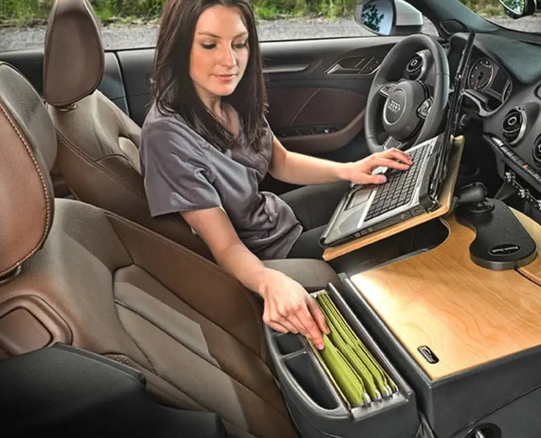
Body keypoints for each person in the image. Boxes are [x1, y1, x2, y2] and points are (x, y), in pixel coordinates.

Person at [140, 0, 412, 349]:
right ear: (179, 46)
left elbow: (279, 161)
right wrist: (269, 282)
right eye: (209, 44)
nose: (230, 61)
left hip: (274, 215)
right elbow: (224, 246)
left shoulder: (229, 97)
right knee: (393, 235)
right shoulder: (166, 135)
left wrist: (350, 169)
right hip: (269, 250)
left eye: (239, 44)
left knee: (389, 193)